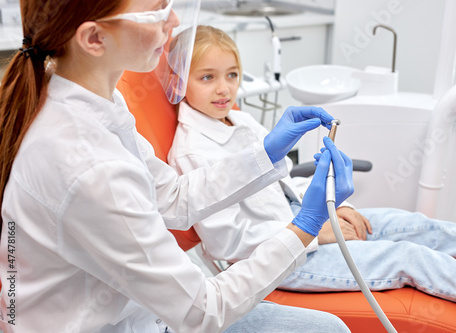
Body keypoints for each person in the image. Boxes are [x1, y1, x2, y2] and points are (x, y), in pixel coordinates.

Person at [0, 2, 355, 332]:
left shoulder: (97, 100)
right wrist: (304, 227)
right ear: (94, 38)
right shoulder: (87, 165)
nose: (172, 22)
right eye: (156, 11)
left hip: (142, 312)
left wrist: (264, 154)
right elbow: (201, 311)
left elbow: (171, 198)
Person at [167, 25, 456, 313]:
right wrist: (312, 232)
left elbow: (284, 180)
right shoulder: (192, 151)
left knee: (415, 226)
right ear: (179, 79)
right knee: (407, 258)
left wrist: (336, 206)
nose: (224, 88)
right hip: (277, 260)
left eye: (232, 75)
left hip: (299, 220)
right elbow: (229, 242)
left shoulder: (239, 119)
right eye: (207, 77)